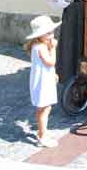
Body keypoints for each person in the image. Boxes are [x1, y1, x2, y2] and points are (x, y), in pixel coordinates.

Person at [24, 15, 61, 148]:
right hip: (42, 83)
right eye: (48, 33)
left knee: (46, 107)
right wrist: (53, 48)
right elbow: (51, 62)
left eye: (52, 32)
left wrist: (53, 74)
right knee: (43, 109)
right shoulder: (41, 47)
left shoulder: (39, 44)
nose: (51, 35)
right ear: (39, 35)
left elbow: (46, 66)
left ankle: (43, 131)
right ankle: (42, 136)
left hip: (45, 79)